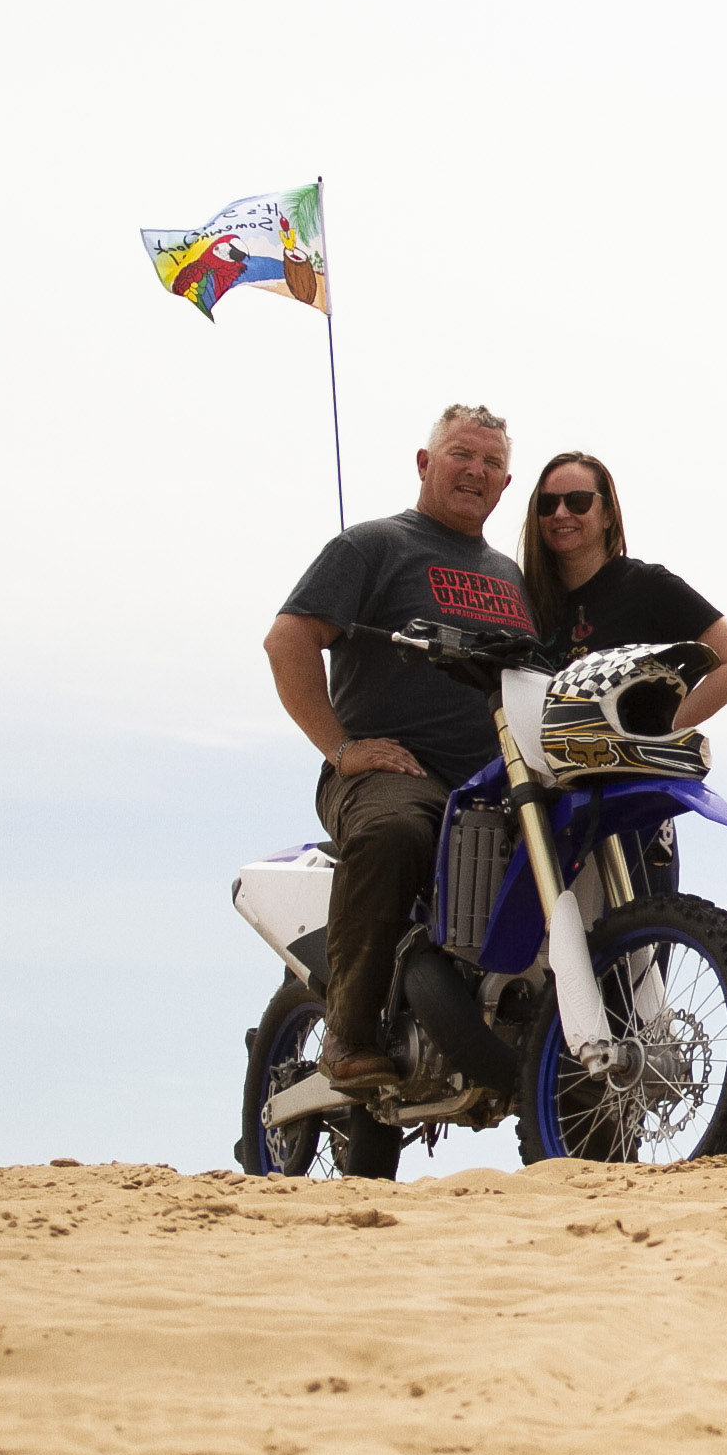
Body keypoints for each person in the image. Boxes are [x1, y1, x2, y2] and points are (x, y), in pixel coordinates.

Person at [262, 405, 532, 1090]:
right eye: (461, 455)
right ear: (424, 462)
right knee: (392, 831)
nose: (476, 470)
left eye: (491, 463)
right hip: (393, 771)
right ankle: (348, 1036)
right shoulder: (373, 547)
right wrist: (343, 749)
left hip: (497, 782)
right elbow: (288, 640)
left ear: (505, 485)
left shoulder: (515, 576)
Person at [516, 449, 727, 723]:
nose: (560, 513)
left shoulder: (647, 586)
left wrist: (662, 733)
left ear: (608, 515)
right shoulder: (525, 598)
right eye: (547, 504)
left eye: (578, 501)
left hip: (628, 765)